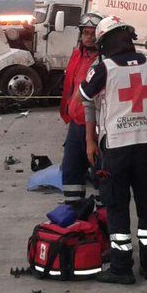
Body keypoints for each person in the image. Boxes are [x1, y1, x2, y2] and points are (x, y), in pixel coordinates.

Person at [81, 15, 147, 284]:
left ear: (104, 42)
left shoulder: (104, 69)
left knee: (117, 206)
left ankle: (121, 268)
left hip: (117, 147)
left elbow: (86, 95)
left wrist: (91, 139)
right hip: (145, 145)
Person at [59, 12, 103, 207]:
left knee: (101, 174)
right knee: (70, 171)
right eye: (85, 32)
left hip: (97, 127)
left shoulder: (105, 61)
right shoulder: (77, 54)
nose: (89, 37)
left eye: (93, 33)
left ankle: (105, 218)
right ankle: (75, 215)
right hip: (76, 124)